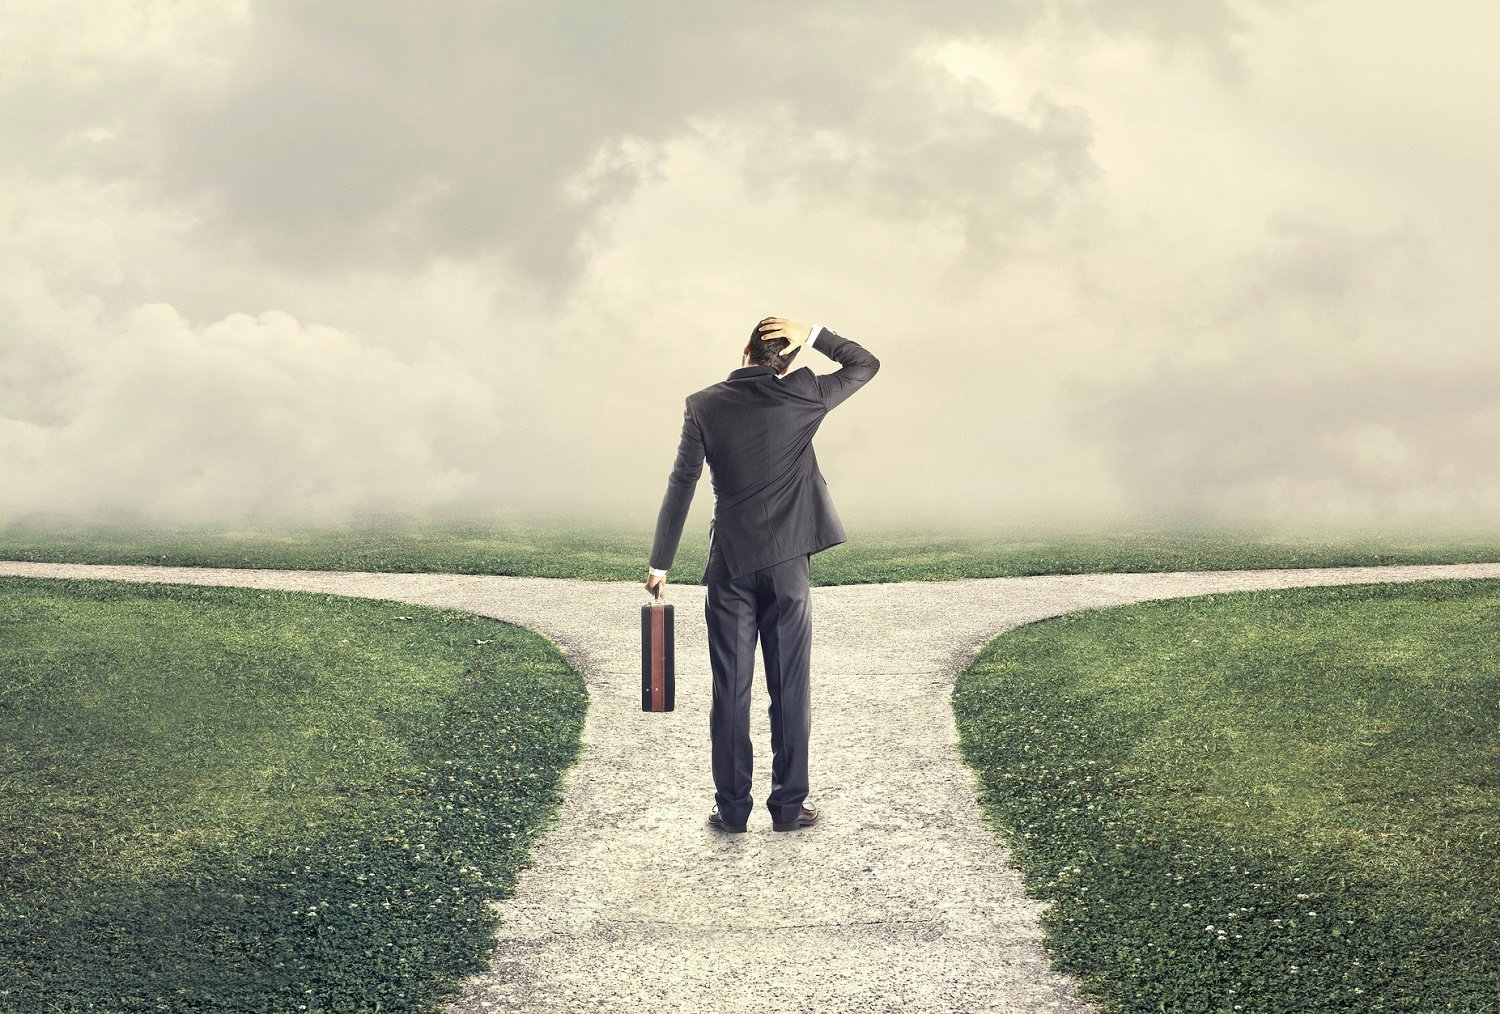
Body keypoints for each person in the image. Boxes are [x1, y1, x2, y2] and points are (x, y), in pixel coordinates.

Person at [645, 316, 880, 833]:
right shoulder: (804, 393)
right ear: (789, 359)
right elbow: (865, 363)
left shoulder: (703, 404)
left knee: (730, 690)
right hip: (788, 566)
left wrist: (661, 563)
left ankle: (732, 811)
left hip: (729, 565)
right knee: (789, 686)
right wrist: (813, 332)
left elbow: (682, 483)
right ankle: (789, 807)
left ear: (745, 349)